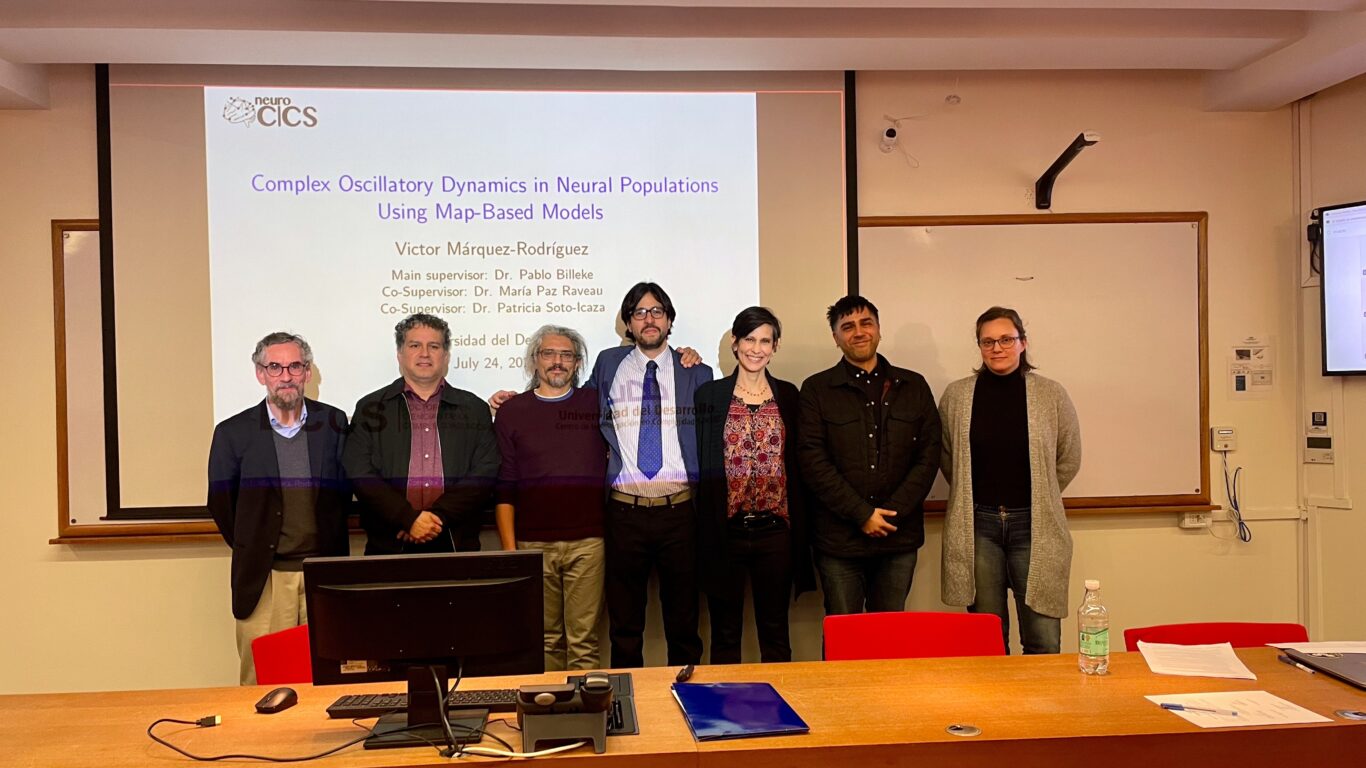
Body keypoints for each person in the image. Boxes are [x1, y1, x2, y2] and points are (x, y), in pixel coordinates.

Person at [207, 332, 351, 685]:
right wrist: (254, 544)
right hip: (266, 580)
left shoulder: (334, 425)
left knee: (328, 681)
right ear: (260, 374)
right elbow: (222, 505)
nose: (286, 376)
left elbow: (344, 493)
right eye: (275, 367)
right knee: (263, 684)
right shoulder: (232, 433)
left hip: (323, 576)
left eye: (295, 366)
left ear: (307, 372)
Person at [939, 306, 1081, 654]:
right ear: (979, 347)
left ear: (1023, 343)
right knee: (986, 639)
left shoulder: (1051, 394)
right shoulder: (957, 396)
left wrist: (1043, 494)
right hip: (979, 527)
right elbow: (947, 457)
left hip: (1035, 526)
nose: (997, 348)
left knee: (1042, 638)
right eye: (987, 342)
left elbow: (1069, 456)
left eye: (1006, 339)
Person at [586, 281, 713, 667]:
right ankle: (629, 697)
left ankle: (685, 694)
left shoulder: (697, 371)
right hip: (625, 512)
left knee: (684, 621)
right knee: (625, 624)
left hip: (680, 513)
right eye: (639, 312)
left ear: (669, 320)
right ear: (629, 323)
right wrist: (519, 397)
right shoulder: (608, 364)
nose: (649, 319)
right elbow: (574, 403)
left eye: (657, 311)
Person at [798, 295, 941, 615]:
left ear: (878, 329)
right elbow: (813, 461)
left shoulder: (913, 386)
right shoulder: (817, 390)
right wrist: (862, 514)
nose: (859, 332)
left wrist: (889, 515)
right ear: (836, 337)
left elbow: (929, 456)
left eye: (866, 323)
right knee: (843, 635)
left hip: (897, 538)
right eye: (847, 327)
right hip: (839, 542)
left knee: (888, 635)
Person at [695, 307, 815, 663]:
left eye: (765, 341)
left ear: (775, 347)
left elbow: (800, 461)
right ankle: (722, 702)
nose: (756, 349)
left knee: (775, 632)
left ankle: (778, 699)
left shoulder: (788, 396)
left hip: (775, 531)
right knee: (725, 634)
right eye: (749, 339)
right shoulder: (709, 395)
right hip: (726, 531)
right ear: (735, 343)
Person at [493, 325, 607, 671]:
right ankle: (551, 706)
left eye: (566, 355)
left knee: (584, 643)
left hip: (588, 544)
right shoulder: (512, 411)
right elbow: (505, 485)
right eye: (548, 354)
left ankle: (586, 706)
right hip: (532, 545)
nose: (557, 361)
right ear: (534, 361)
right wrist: (512, 552)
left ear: (577, 363)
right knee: (545, 642)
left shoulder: (595, 403)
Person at [343, 313, 499, 555]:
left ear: (445, 355)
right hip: (389, 543)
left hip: (456, 543)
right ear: (400, 354)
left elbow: (484, 474)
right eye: (415, 345)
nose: (424, 353)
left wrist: (434, 520)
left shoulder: (474, 409)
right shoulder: (370, 408)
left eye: (433, 346)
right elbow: (359, 472)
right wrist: (407, 519)